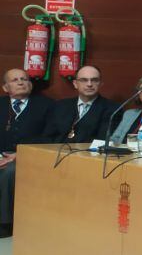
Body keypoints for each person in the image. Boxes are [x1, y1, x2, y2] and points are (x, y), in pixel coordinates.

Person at [0, 69, 54, 237]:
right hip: (1, 154)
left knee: (10, 171)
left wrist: (22, 153)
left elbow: (50, 137)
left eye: (24, 79)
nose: (21, 82)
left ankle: (4, 223)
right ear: (5, 87)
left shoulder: (47, 105)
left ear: (30, 84)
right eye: (15, 80)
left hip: (31, 155)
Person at [42, 65, 116, 143]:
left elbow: (102, 141)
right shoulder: (60, 106)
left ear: (100, 84)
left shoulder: (112, 109)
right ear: (75, 84)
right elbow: (48, 137)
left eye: (94, 80)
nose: (89, 84)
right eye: (84, 80)